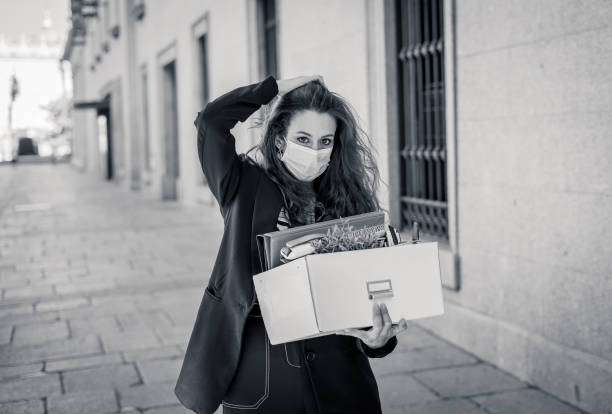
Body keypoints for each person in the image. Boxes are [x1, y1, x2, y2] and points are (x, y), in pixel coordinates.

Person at [175, 75, 409, 414]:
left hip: (340, 375)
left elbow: (367, 298)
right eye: (303, 138)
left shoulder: (350, 202)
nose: (315, 151)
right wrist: (275, 89)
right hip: (264, 374)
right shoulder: (242, 185)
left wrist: (379, 339)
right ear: (280, 138)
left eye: (325, 140)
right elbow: (211, 121)